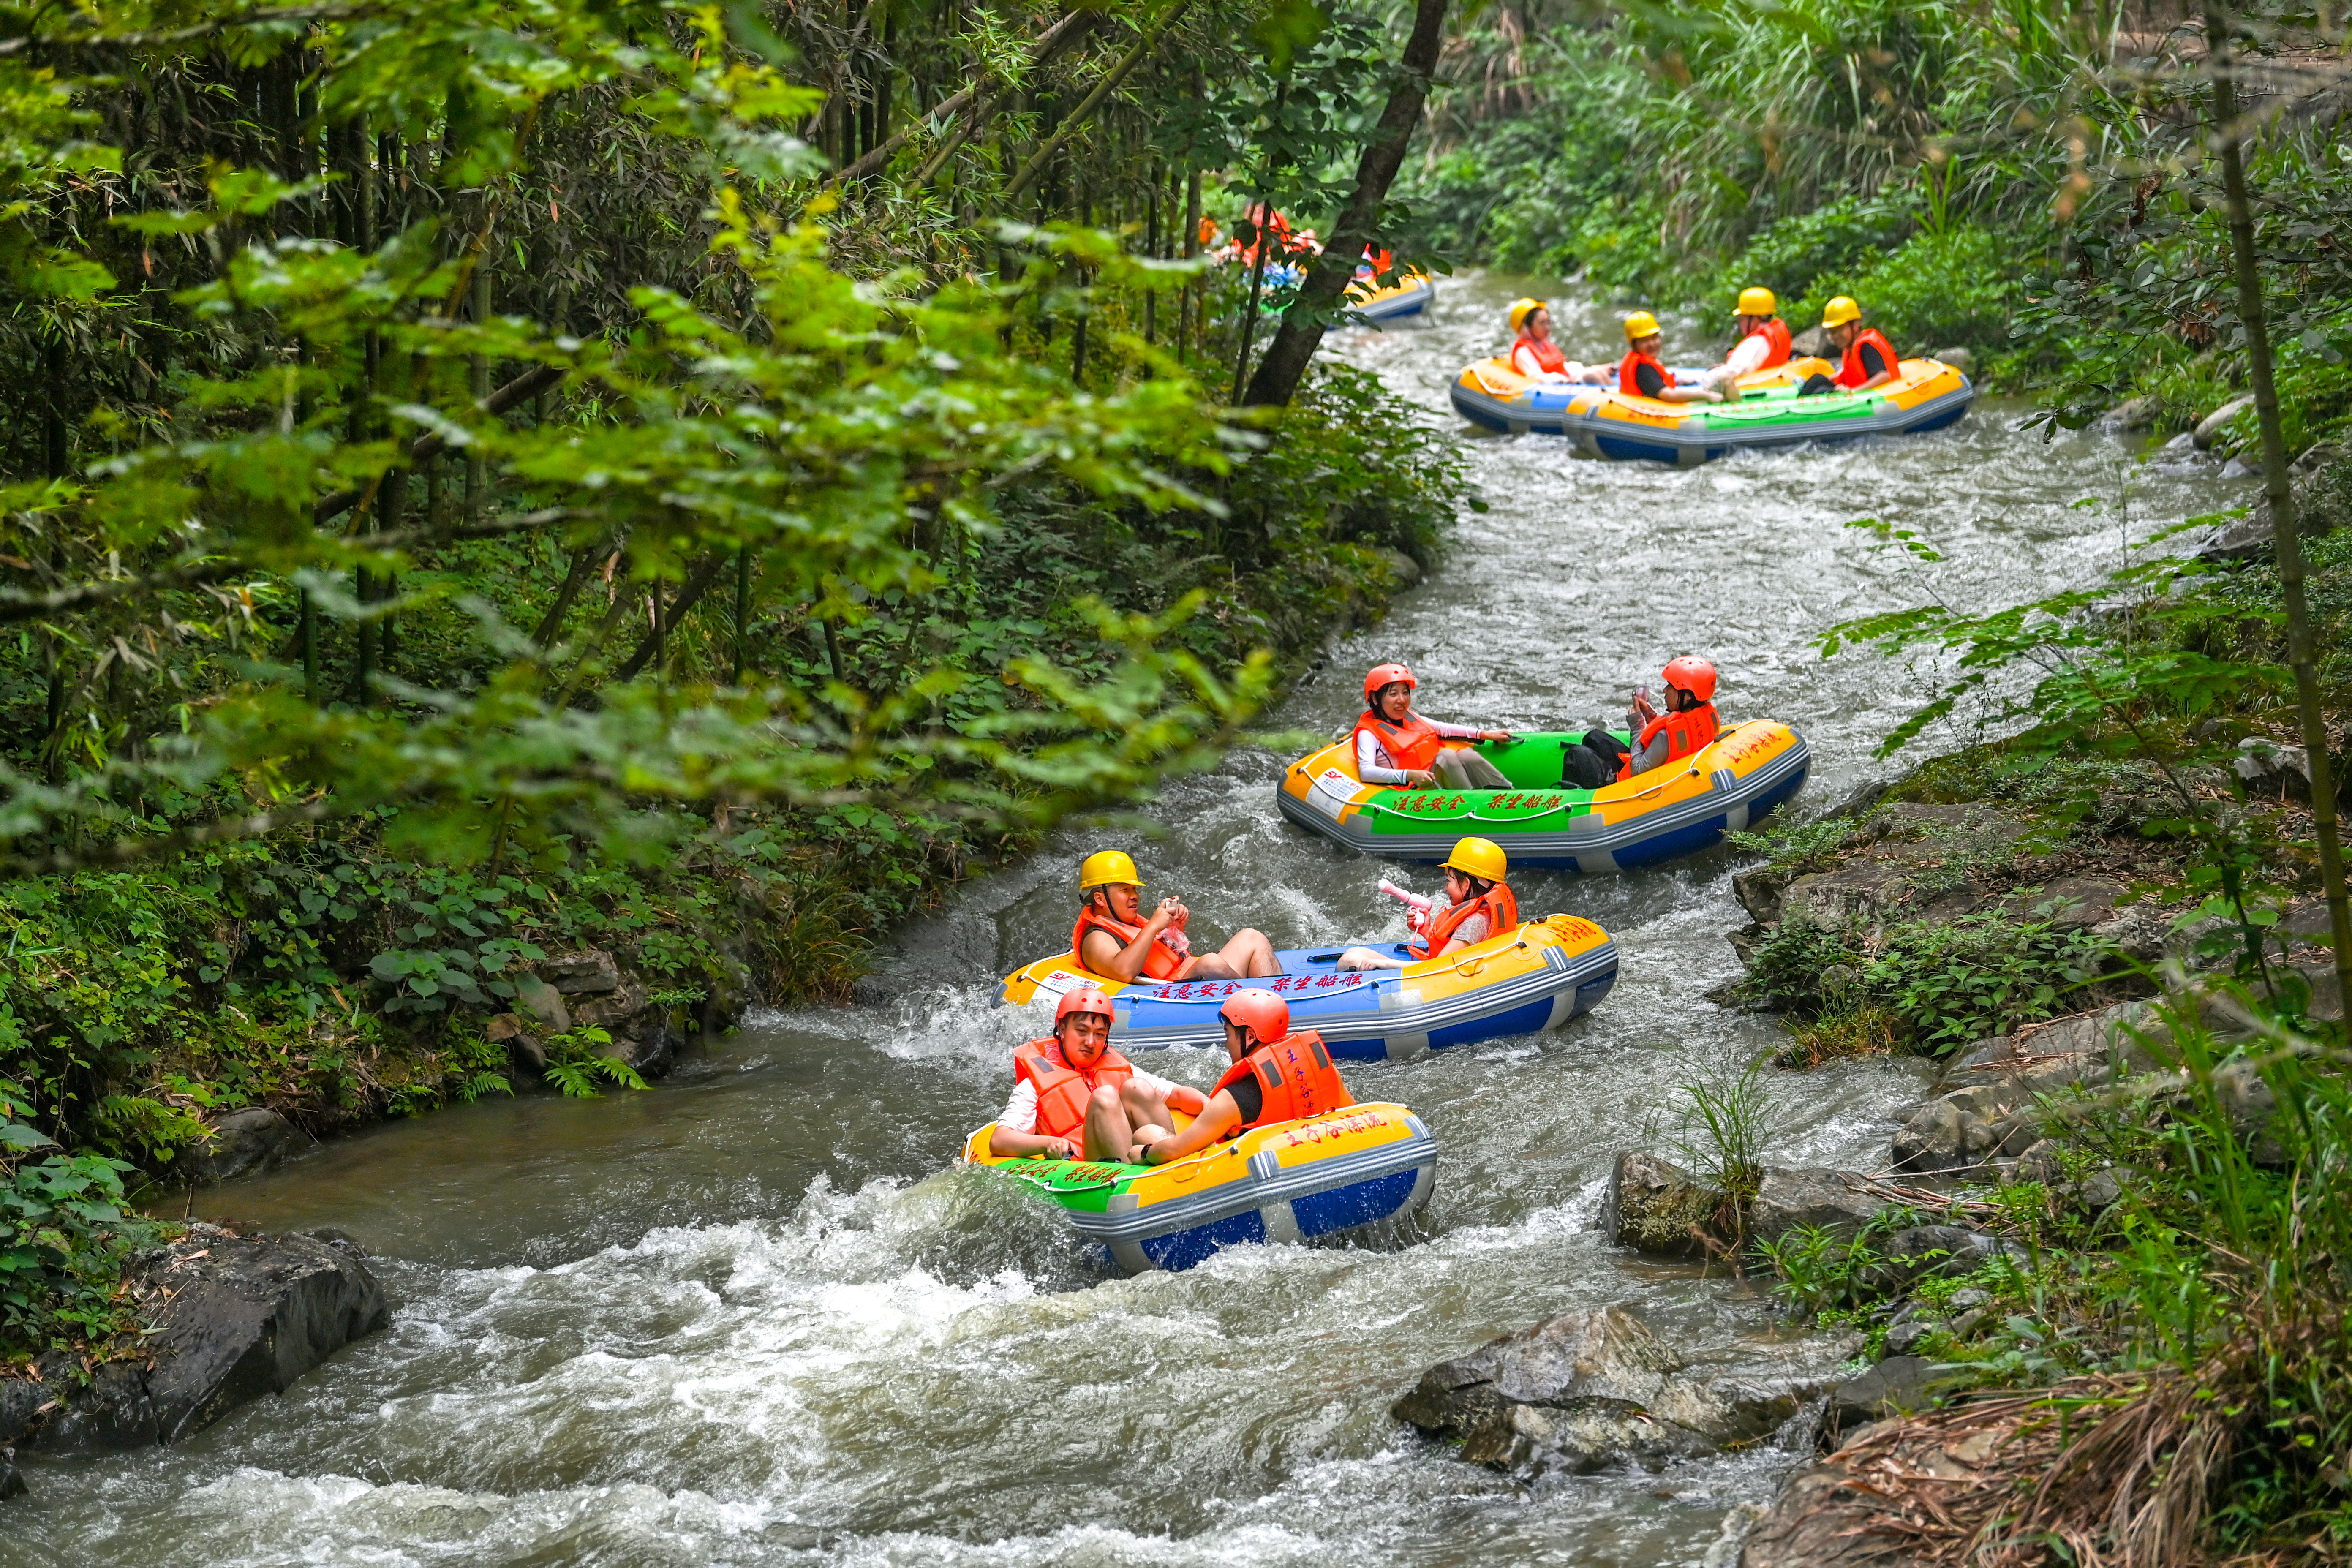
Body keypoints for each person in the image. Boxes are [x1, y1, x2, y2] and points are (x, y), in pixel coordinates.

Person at [1128, 990, 1354, 1165]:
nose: (1226, 1044)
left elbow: (1173, 1151)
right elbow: (1355, 1114)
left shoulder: (1234, 1099)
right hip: (1315, 1155)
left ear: (1250, 1036)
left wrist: (1144, 1153)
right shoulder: (1324, 1072)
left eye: (1228, 1035)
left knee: (1145, 1135)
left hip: (1250, 1175)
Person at [990, 988, 1206, 1163]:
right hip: (1089, 1166)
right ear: (1062, 1030)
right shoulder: (1034, 1084)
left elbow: (1177, 1094)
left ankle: (1176, 1159)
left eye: (1100, 1035)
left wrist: (1216, 1114)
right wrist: (1047, 1144)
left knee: (1138, 1088)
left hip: (1135, 1151)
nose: (1091, 1042)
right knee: (1105, 1097)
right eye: (1082, 1032)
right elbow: (1000, 1140)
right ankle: (1135, 1177)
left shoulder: (1118, 1068)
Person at [1073, 850, 1279, 982]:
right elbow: (1123, 971)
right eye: (1125, 890)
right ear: (1100, 899)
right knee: (1210, 963)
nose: (1135, 896)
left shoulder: (1122, 920)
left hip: (1181, 977)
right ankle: (1256, 1007)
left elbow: (1164, 955)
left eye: (1134, 890)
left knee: (1252, 937)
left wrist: (1175, 928)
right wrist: (1153, 926)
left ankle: (1280, 998)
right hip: (1166, 992)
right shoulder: (1096, 938)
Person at [1339, 837, 1521, 971]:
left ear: (1466, 884)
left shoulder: (1475, 923)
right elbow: (1455, 951)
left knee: (1348, 962)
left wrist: (1382, 964)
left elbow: (1437, 968)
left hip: (1447, 983)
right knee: (1356, 951)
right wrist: (1427, 931)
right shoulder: (1485, 912)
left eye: (1449, 880)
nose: (1446, 887)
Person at [1563, 657, 1722, 787]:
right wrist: (1649, 715)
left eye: (1671, 686)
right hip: (1656, 763)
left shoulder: (1664, 737)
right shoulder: (1703, 714)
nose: (1665, 691)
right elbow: (1674, 739)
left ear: (1688, 696)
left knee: (1576, 755)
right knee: (1594, 737)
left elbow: (1638, 772)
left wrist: (1637, 725)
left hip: (1626, 785)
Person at [1355, 663, 1515, 791]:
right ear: (1375, 699)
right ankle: (1472, 805)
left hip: (1433, 780)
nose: (1402, 700)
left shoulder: (1409, 717)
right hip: (1411, 789)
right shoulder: (1369, 733)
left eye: (1405, 692)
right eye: (1394, 694)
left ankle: (1510, 794)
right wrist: (1410, 775)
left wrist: (1485, 734)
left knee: (1467, 755)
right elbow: (1367, 772)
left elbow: (1443, 729)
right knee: (1446, 756)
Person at [1618, 313, 1723, 405]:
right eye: (1644, 341)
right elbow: (1667, 395)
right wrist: (1705, 395)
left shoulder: (1643, 364)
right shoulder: (1643, 369)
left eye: (1654, 338)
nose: (1652, 344)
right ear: (1634, 345)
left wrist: (1679, 382)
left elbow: (1653, 385)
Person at [1802, 296, 1899, 396]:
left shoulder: (1866, 347)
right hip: (1860, 395)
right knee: (1818, 380)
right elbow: (1853, 373)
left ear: (1855, 325)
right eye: (1832, 332)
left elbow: (1884, 376)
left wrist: (1853, 392)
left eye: (1840, 329)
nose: (1835, 336)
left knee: (1821, 391)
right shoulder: (1851, 348)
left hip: (1881, 399)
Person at [1706, 286, 1792, 389]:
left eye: (1742, 318)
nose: (1740, 322)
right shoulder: (1775, 334)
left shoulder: (1756, 342)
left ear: (1754, 318)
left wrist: (1704, 378)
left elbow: (1732, 373)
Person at [1506, 299, 1608, 385]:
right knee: (1592, 376)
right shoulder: (1523, 351)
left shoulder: (1546, 345)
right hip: (1556, 388)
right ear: (1527, 327)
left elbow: (1563, 367)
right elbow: (1535, 376)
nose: (1548, 328)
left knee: (1597, 373)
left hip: (1568, 382)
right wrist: (1562, 379)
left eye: (1549, 322)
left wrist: (1593, 369)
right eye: (1542, 323)